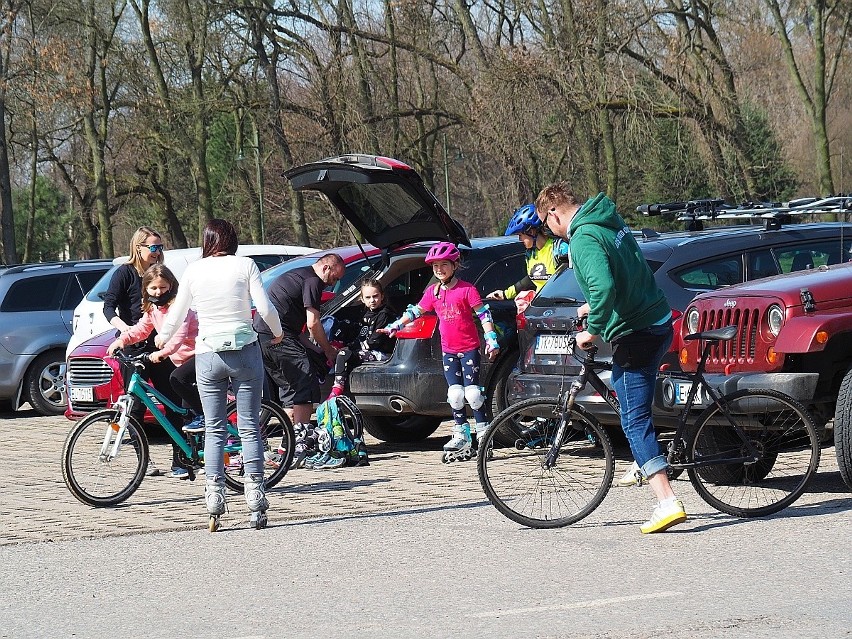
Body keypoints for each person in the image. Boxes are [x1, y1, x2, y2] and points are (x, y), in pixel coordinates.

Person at [535, 182, 685, 534]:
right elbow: (622, 274)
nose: (549, 231)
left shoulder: (584, 238)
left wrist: (592, 330)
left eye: (545, 224)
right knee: (621, 386)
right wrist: (592, 306)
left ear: (554, 212)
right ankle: (643, 458)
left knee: (633, 420)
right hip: (656, 318)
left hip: (638, 331)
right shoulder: (606, 222)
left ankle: (666, 501)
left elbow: (604, 288)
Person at [156, 219, 283, 531]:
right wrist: (277, 333)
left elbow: (178, 312)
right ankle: (255, 496)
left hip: (209, 354)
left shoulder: (194, 270)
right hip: (244, 351)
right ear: (233, 239)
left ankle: (214, 496)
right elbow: (264, 308)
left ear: (206, 241)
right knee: (250, 426)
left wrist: (164, 339)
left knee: (214, 428)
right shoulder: (246, 265)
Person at [380, 242, 500, 462]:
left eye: (444, 265)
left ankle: (484, 434)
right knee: (455, 394)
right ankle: (460, 433)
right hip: (449, 350)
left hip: (469, 348)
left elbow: (484, 315)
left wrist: (491, 339)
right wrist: (395, 325)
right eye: (435, 266)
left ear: (455, 265)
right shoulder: (433, 292)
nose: (439, 269)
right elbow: (416, 311)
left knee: (472, 393)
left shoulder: (467, 289)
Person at [106, 264, 201, 479]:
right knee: (175, 401)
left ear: (171, 286)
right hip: (178, 358)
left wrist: (163, 352)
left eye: (163, 287)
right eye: (154, 289)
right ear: (146, 289)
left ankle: (203, 419)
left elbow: (179, 334)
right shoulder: (152, 308)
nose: (159, 292)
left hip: (196, 354)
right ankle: (188, 452)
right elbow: (142, 329)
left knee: (177, 385)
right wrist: (122, 340)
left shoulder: (179, 306)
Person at [253, 253, 345, 468]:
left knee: (289, 391)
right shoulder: (313, 281)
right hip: (278, 336)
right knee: (305, 383)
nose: (333, 284)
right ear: (326, 269)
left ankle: (286, 448)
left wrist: (317, 350)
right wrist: (329, 350)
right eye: (334, 278)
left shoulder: (296, 275)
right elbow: (313, 323)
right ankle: (300, 447)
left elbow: (299, 331)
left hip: (263, 337)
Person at [103, 226, 169, 477]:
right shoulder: (125, 273)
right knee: (136, 405)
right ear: (138, 247)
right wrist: (124, 329)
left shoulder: (160, 274)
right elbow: (109, 307)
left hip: (160, 344)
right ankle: (145, 460)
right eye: (153, 247)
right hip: (133, 345)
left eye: (160, 247)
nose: (157, 252)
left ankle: (180, 458)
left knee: (171, 398)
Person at [326, 278, 396, 400]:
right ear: (362, 299)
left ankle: (337, 389)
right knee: (344, 328)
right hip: (365, 349)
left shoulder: (385, 314)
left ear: (382, 296)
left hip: (382, 353)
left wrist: (349, 348)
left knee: (343, 354)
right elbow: (358, 333)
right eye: (368, 298)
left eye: (375, 296)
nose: (372, 301)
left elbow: (374, 341)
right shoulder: (364, 314)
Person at [486, 203, 558, 302]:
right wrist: (505, 294)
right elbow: (530, 279)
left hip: (562, 307)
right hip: (543, 308)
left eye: (520, 235)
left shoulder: (557, 249)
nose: (519, 239)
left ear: (531, 232)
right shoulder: (531, 254)